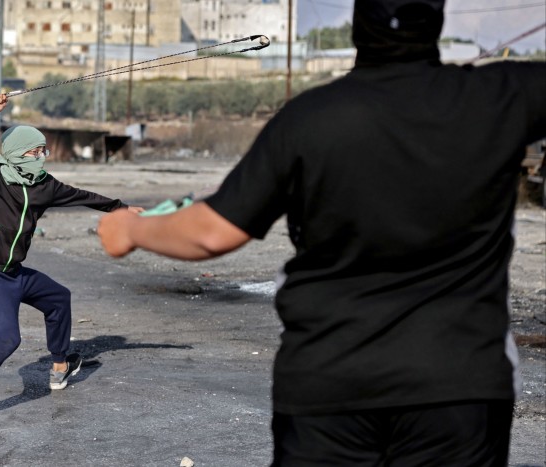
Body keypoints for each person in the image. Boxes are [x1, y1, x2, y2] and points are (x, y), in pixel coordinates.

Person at [97, 0, 546, 464]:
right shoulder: (502, 96)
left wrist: (130, 228)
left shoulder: (310, 117)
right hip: (460, 387)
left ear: (356, 26)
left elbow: (214, 231)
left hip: (329, 387)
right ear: (436, 19)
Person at [0, 94, 143, 433]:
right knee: (5, 338)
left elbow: (81, 195)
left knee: (58, 297)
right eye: (34, 151)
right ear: (16, 153)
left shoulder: (45, 186)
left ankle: (60, 366)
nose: (41, 157)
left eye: (43, 151)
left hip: (16, 274)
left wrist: (120, 207)